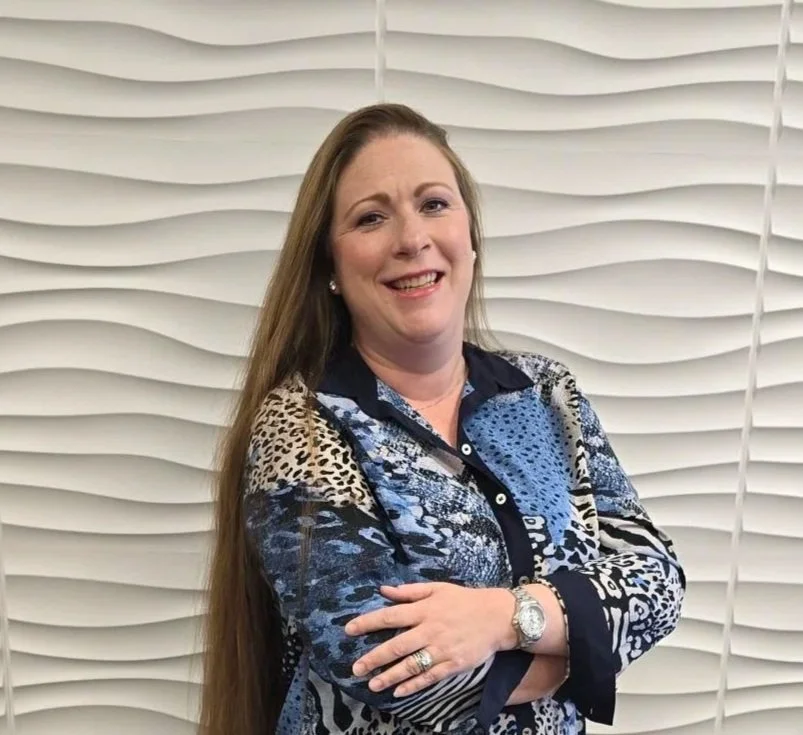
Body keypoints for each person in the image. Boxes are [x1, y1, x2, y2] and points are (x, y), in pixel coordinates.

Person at [199, 103, 685, 735]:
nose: (411, 239)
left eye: (433, 204)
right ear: (331, 270)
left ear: (471, 238)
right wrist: (586, 650)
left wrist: (507, 617)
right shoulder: (302, 428)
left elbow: (657, 578)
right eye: (371, 217)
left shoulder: (547, 393)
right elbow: (386, 672)